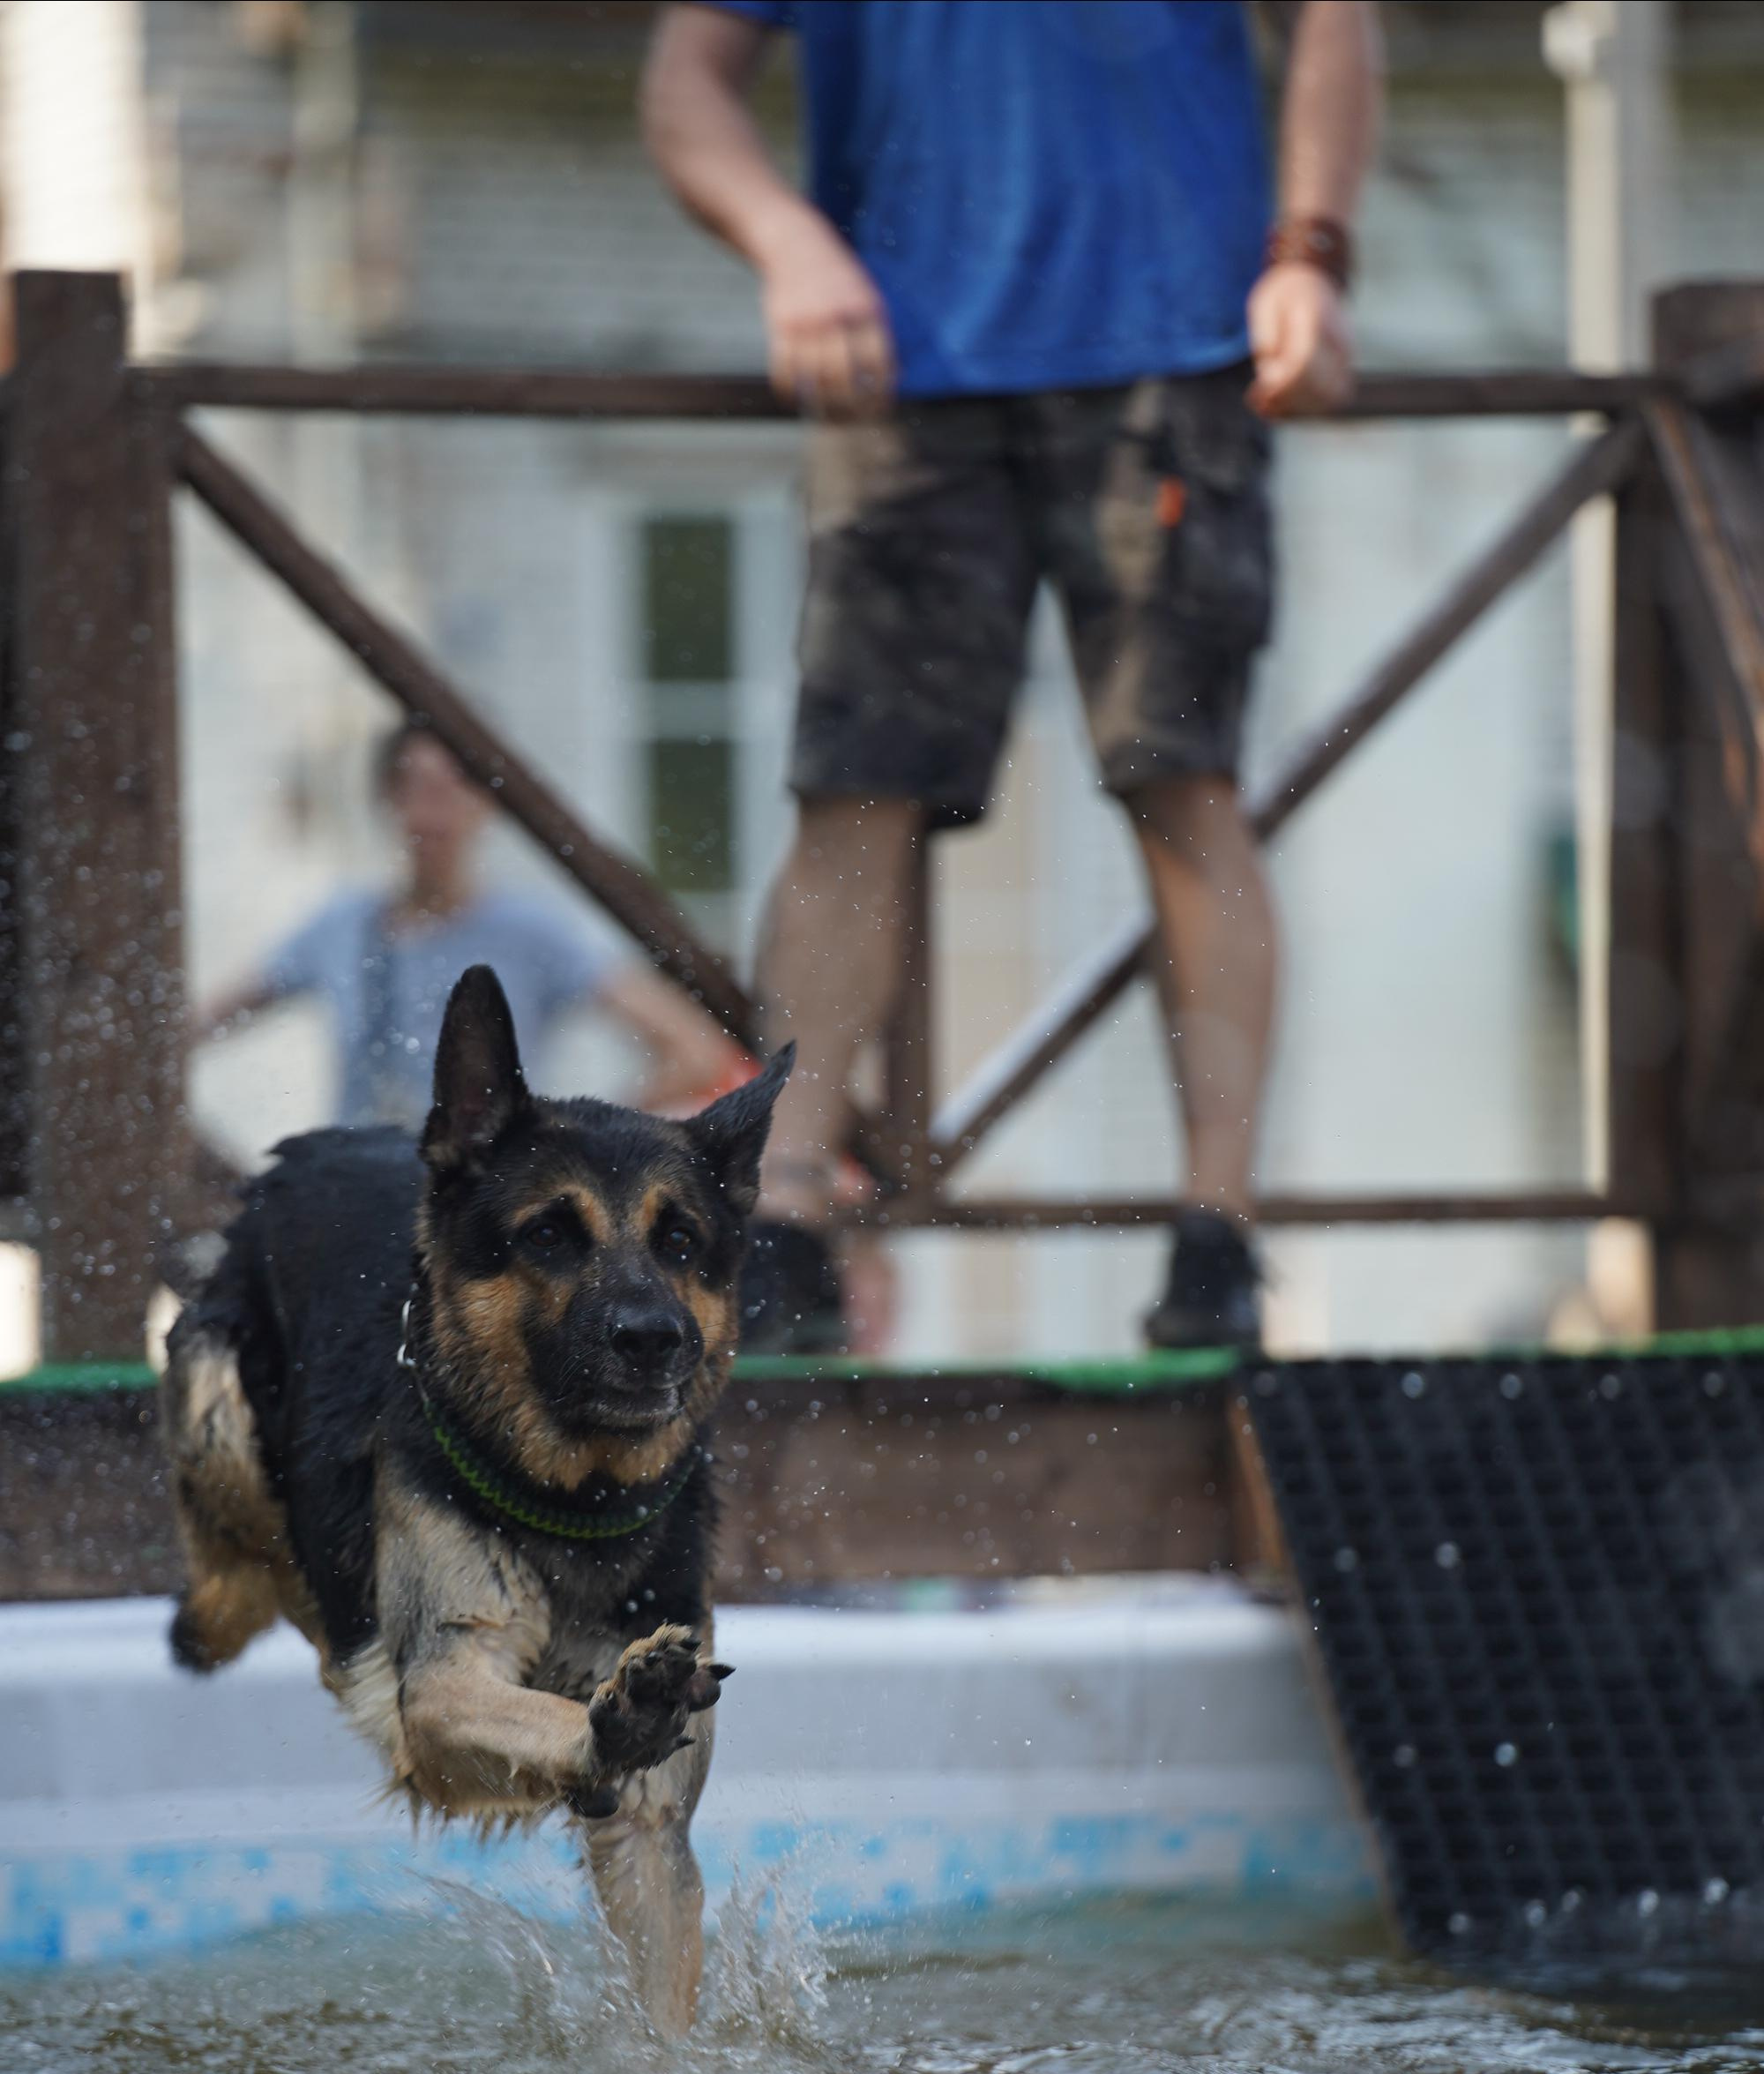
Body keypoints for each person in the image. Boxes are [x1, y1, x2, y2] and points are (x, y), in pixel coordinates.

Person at [642, 0, 1382, 1348]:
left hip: (1178, 348)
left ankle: (1217, 1234)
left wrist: (1310, 253)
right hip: (900, 364)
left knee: (1185, 783)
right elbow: (687, 83)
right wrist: (788, 240)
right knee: (849, 796)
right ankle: (790, 1219)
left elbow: (1334, 18)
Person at [195, 719, 746, 1129]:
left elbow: (694, 1051)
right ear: (387, 801)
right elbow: (199, 1023)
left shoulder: (533, 932)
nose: (432, 816)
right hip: (355, 1203)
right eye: (414, 789)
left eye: (451, 790)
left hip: (475, 1221)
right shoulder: (339, 925)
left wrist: (566, 1141)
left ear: (487, 804)